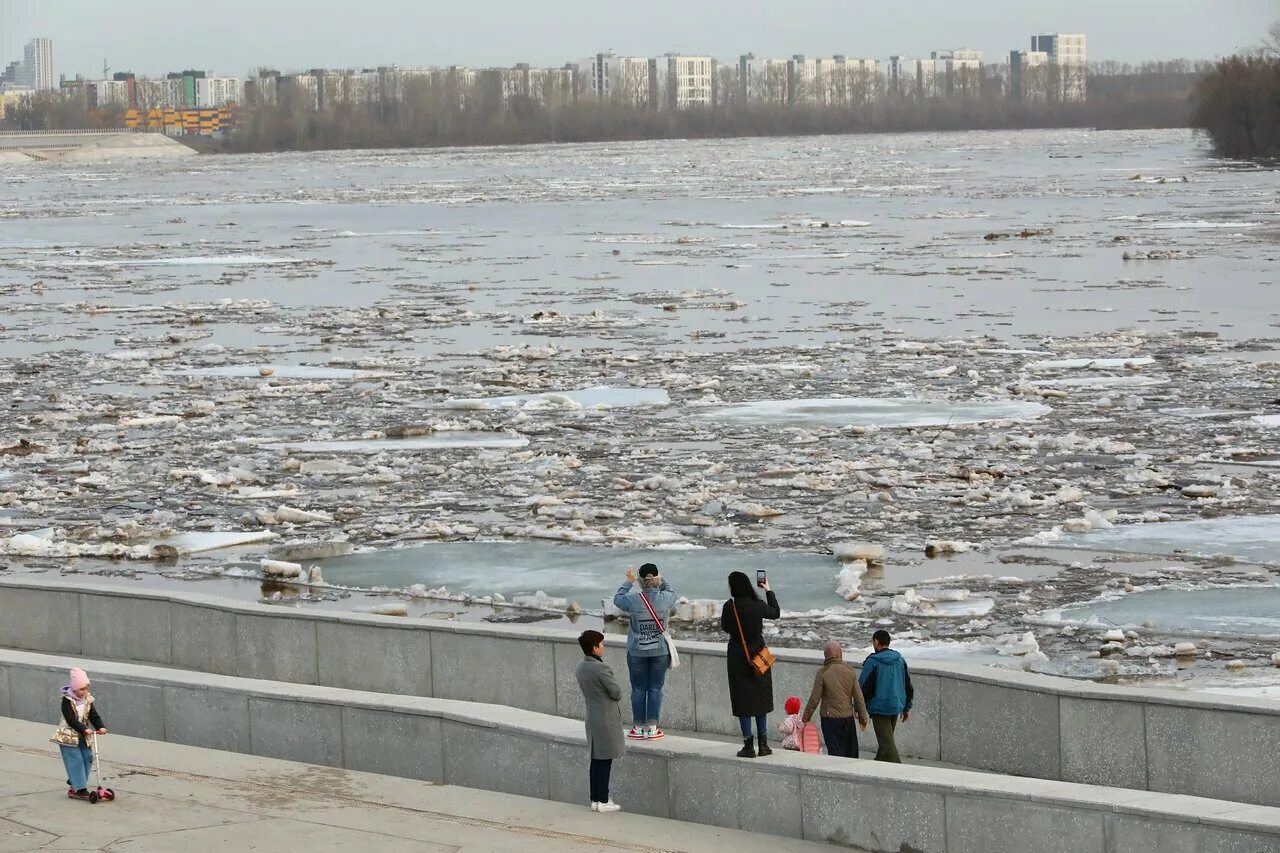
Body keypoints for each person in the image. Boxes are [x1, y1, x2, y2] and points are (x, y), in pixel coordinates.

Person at [612, 562, 677, 739]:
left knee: (638, 689)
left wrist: (629, 581)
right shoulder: (666, 598)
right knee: (655, 688)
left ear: (640, 580)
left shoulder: (632, 600)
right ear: (657, 578)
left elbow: (617, 599)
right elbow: (672, 591)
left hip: (637, 651)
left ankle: (639, 727)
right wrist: (661, 578)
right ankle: (653, 728)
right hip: (659, 651)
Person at [721, 570, 780, 758]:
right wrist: (768, 589)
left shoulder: (730, 606)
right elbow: (775, 613)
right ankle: (764, 745)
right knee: (760, 698)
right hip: (759, 655)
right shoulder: (757, 604)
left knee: (742, 700)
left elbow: (725, 627)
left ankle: (748, 745)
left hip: (738, 655)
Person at [575, 630, 625, 813]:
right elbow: (616, 693)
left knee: (596, 760)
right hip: (606, 719)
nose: (604, 646)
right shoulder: (601, 668)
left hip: (592, 716)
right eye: (602, 644)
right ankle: (603, 800)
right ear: (594, 647)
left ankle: (595, 799)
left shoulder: (580, 667)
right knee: (605, 761)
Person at [801, 640, 869, 759]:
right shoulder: (850, 671)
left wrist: (806, 718)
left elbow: (814, 699)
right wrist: (863, 719)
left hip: (830, 721)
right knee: (851, 754)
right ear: (838, 654)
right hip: (848, 720)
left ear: (826, 656)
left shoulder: (822, 672)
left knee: (835, 755)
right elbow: (859, 698)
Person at [52, 667, 106, 802]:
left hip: (83, 735)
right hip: (68, 736)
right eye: (81, 689)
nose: (84, 692)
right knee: (75, 759)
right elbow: (70, 719)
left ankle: (75, 783)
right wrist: (83, 728)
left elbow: (93, 715)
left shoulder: (87, 699)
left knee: (87, 757)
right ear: (74, 688)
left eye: (86, 688)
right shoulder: (67, 701)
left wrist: (100, 726)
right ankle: (80, 789)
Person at [859, 629, 913, 763]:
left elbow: (862, 687)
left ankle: (900, 774)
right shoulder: (900, 660)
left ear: (876, 642)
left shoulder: (873, 662)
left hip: (879, 708)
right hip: (896, 706)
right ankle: (878, 767)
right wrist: (906, 708)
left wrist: (858, 708)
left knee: (887, 745)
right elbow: (908, 686)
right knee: (886, 743)